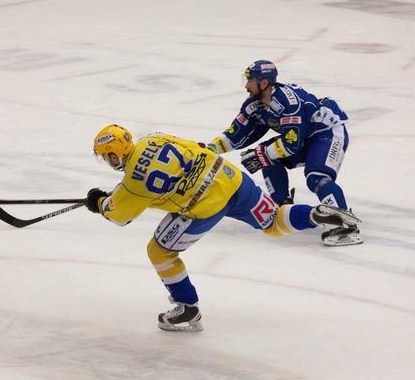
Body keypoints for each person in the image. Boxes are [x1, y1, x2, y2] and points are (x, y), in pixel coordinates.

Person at [85, 124, 361, 332]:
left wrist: (99, 202)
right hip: (230, 179)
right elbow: (196, 146)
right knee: (275, 221)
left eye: (106, 156)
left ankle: (187, 310)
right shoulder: (153, 138)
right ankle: (314, 215)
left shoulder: (134, 184)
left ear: (113, 154)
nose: (106, 160)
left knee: (159, 251)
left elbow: (119, 215)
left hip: (204, 205)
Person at [205, 60, 362, 246]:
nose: (246, 85)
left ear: (264, 83)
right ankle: (283, 205)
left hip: (326, 133)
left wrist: (260, 153)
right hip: (304, 138)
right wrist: (208, 150)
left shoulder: (289, 102)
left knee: (317, 177)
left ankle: (345, 223)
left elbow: (291, 144)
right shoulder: (254, 105)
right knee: (267, 158)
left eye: (250, 80)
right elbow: (235, 134)